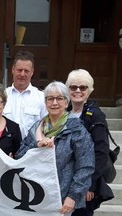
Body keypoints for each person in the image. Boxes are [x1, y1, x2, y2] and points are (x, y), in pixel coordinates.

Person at [15, 81, 95, 215]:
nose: (54, 103)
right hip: (36, 195)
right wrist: (36, 146)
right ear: (45, 102)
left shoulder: (76, 129)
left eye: (59, 98)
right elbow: (19, 156)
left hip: (62, 198)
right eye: (50, 98)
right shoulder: (37, 127)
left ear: (66, 102)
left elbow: (85, 165)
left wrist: (73, 196)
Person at [65, 69, 114, 216]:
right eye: (73, 87)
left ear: (89, 90)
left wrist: (90, 185)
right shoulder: (63, 113)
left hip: (86, 185)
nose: (78, 91)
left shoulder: (96, 115)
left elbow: (101, 152)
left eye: (83, 87)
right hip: (65, 180)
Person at [3, 50, 47, 139]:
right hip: (6, 149)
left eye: (26, 71)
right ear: (13, 70)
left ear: (32, 72)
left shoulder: (41, 98)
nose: (22, 74)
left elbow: (46, 127)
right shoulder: (2, 96)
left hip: (31, 149)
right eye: (19, 70)